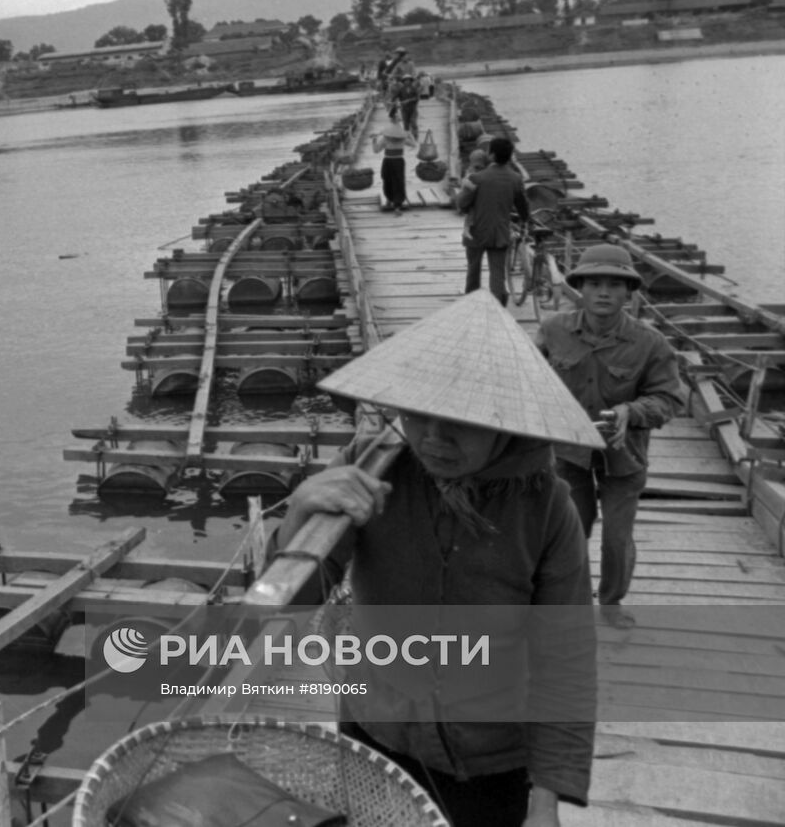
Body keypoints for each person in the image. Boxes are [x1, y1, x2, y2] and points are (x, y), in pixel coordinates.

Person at [278, 290, 599, 827]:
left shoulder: (546, 507)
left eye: (459, 421)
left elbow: (564, 656)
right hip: (376, 733)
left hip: (490, 756)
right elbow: (299, 597)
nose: (432, 438)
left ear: (504, 420)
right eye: (417, 415)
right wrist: (300, 511)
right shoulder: (371, 468)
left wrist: (546, 799)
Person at [537, 244, 686, 629]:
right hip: (568, 454)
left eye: (614, 285)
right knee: (570, 531)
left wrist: (631, 411)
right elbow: (529, 379)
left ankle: (611, 604)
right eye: (594, 284)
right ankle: (566, 603)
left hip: (624, 457)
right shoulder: (554, 330)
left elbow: (670, 398)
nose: (604, 293)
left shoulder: (650, 343)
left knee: (617, 539)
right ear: (580, 288)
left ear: (629, 292)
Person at [455, 136, 529, 306]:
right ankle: (498, 306)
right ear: (509, 156)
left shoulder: (477, 178)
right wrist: (525, 220)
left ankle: (471, 303)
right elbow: (522, 206)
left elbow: (462, 203)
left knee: (473, 270)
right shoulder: (515, 179)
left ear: (492, 155)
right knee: (497, 274)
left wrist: (464, 193)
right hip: (499, 232)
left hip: (475, 231)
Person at [371, 108, 416, 212]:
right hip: (398, 161)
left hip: (388, 161)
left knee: (388, 181)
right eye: (398, 114)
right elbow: (413, 144)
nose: (400, 115)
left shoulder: (387, 137)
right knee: (398, 182)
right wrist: (410, 135)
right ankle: (397, 204)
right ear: (396, 117)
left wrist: (374, 140)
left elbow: (376, 150)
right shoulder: (402, 136)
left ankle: (390, 200)